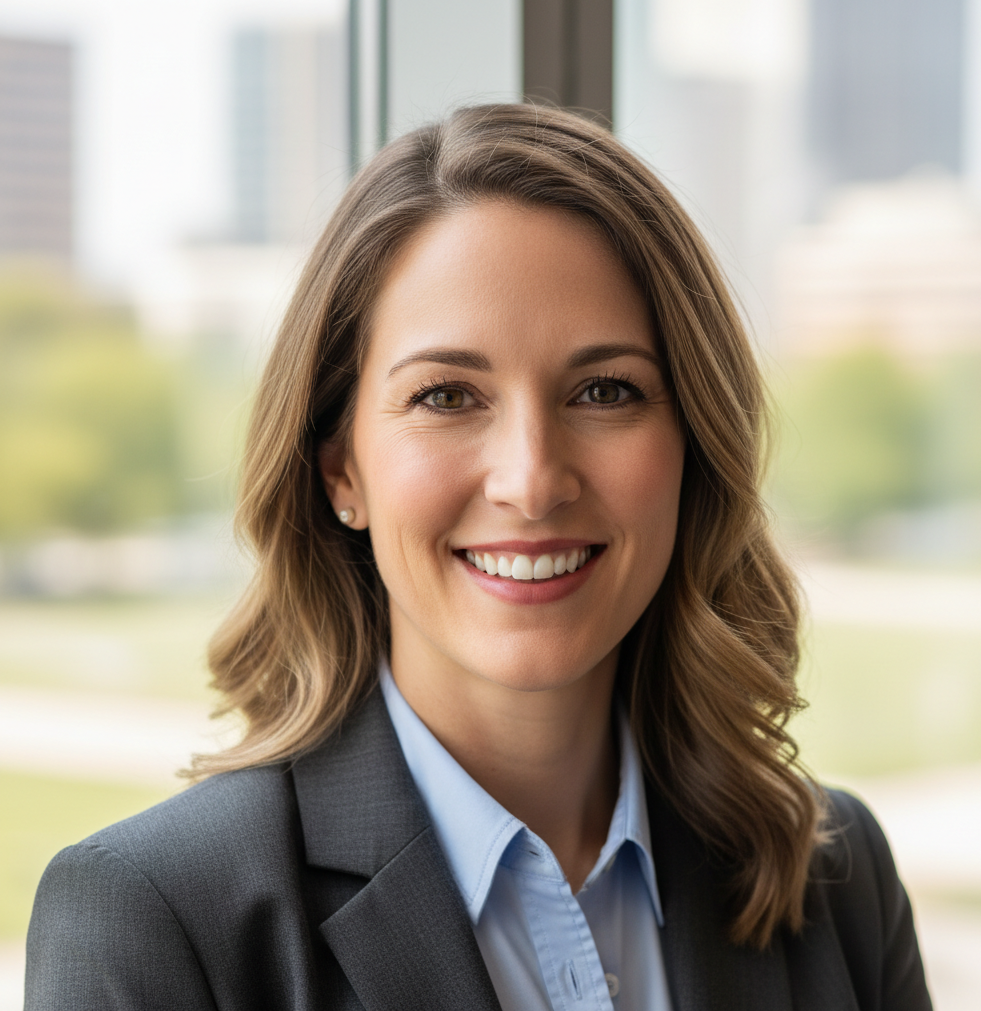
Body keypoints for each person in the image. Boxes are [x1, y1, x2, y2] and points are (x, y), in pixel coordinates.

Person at [26, 104, 932, 1010]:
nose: (532, 482)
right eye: (447, 396)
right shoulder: (154, 918)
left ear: (694, 441)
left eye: (605, 390)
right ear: (341, 467)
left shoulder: (837, 881)